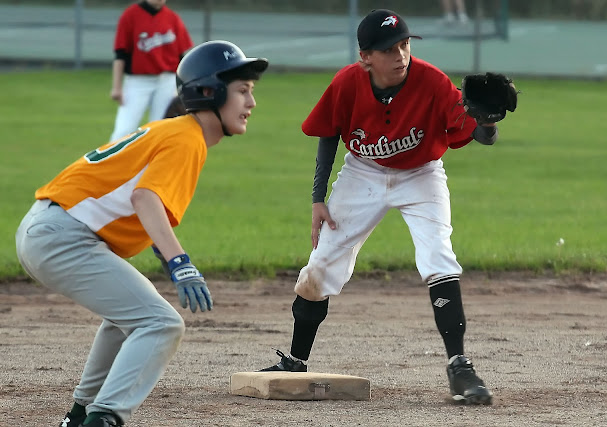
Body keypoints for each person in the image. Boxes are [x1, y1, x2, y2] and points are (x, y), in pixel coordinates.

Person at [15, 40, 268, 427]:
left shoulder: (175, 131)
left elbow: (133, 196)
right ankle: (104, 418)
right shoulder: (186, 138)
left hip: (50, 229)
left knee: (130, 316)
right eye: (242, 91)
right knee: (160, 323)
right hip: (63, 236)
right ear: (209, 92)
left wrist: (164, 254)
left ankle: (81, 415)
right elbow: (145, 198)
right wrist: (180, 263)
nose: (251, 103)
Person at [258, 9, 497, 405]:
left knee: (438, 255)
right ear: (366, 56)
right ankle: (296, 361)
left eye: (404, 44)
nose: (400, 54)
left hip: (422, 174)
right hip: (362, 173)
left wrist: (487, 122)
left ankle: (460, 366)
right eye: (388, 49)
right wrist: (318, 197)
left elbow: (480, 134)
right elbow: (329, 132)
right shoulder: (348, 83)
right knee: (320, 266)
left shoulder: (433, 82)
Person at [109, 0, 193, 142]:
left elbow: (181, 59)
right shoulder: (130, 15)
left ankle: (154, 164)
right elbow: (120, 55)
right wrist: (117, 87)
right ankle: (111, 163)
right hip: (138, 81)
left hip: (167, 81)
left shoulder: (172, 18)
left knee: (161, 129)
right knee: (123, 130)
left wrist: (181, 88)